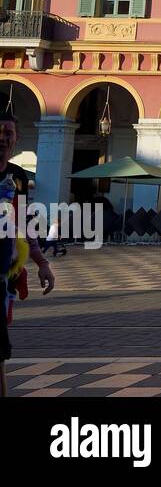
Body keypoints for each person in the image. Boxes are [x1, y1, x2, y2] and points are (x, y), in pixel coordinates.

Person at [0, 113, 55, 399]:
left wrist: (42, 263)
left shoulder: (18, 175)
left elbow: (23, 222)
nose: (3, 137)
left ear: (16, 138)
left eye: (8, 132)